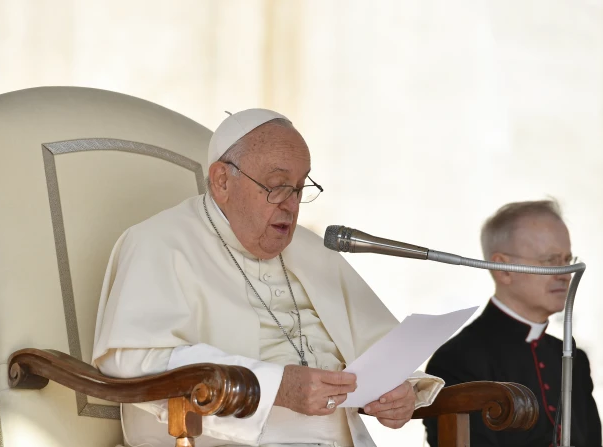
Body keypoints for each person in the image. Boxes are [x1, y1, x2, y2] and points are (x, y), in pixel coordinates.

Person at [91, 108, 444, 446]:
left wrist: (401, 391)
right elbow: (132, 362)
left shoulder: (312, 249)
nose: (291, 204)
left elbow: (380, 350)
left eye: (299, 188)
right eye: (277, 185)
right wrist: (274, 387)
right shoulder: (159, 242)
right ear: (222, 181)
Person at [424, 200, 601, 446]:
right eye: (550, 260)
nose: (566, 274)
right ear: (504, 269)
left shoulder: (574, 359)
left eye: (567, 259)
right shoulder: (458, 359)